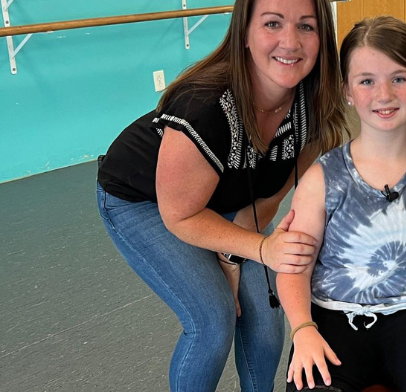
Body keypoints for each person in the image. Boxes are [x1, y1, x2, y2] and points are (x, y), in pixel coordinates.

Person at [95, 0, 348, 390]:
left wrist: (232, 258)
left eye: (307, 27)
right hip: (142, 198)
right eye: (273, 23)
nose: (290, 41)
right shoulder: (203, 106)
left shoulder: (314, 105)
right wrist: (262, 251)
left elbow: (270, 195)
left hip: (223, 200)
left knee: (265, 318)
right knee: (212, 321)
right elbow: (180, 215)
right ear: (244, 33)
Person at [276, 16, 406, 392]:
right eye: (367, 81)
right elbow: (293, 267)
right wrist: (303, 330)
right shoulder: (321, 177)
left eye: (399, 78)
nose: (384, 94)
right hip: (332, 316)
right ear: (348, 91)